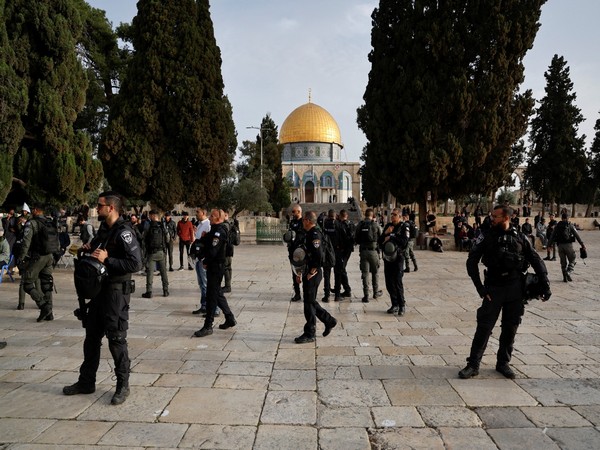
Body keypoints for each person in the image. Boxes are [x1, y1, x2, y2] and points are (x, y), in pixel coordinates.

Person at [63, 191, 142, 405]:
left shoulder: (124, 232)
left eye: (100, 205)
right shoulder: (104, 229)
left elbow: (136, 264)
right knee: (91, 338)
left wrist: (109, 259)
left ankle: (122, 385)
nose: (96, 209)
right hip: (99, 291)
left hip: (116, 293)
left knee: (116, 340)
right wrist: (91, 248)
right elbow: (99, 250)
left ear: (112, 208)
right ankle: (86, 382)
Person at [459, 205, 551, 380]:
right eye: (491, 215)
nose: (491, 218)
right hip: (493, 287)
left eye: (495, 216)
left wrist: (545, 282)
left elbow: (535, 258)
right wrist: (480, 288)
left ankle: (503, 363)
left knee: (511, 327)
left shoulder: (520, 237)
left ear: (506, 218)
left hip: (515, 288)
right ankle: (473, 364)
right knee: (484, 327)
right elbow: (471, 262)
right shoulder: (485, 235)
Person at [294, 211, 337, 344]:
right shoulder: (309, 233)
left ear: (307, 220)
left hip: (314, 273)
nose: (302, 222)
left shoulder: (314, 234)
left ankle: (310, 333)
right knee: (310, 301)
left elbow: (318, 255)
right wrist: (299, 272)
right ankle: (329, 320)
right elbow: (305, 255)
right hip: (308, 271)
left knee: (309, 303)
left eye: (303, 220)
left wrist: (312, 270)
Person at [193, 209, 237, 337]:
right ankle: (229, 318)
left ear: (218, 218)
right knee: (217, 293)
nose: (210, 217)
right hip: (214, 265)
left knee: (211, 296)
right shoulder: (213, 229)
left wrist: (205, 260)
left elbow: (213, 250)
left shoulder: (219, 231)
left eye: (212, 216)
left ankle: (208, 326)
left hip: (216, 266)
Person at [15, 203, 58, 322]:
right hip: (49, 256)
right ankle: (50, 313)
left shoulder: (32, 223)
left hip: (38, 256)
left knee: (27, 283)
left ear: (35, 210)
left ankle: (44, 306)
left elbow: (26, 242)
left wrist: (21, 257)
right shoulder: (49, 222)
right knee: (46, 284)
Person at [378, 208, 409, 315]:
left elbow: (404, 241)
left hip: (398, 258)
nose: (392, 216)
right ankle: (394, 304)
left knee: (397, 282)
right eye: (391, 215)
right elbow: (379, 241)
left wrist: (391, 235)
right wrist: (385, 233)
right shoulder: (388, 226)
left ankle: (402, 305)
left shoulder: (404, 227)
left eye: (395, 215)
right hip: (388, 258)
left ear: (400, 216)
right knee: (389, 282)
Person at [354, 208, 383, 303]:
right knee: (375, 273)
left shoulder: (360, 224)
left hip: (363, 252)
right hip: (373, 252)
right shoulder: (375, 225)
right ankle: (375, 292)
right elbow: (381, 236)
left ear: (365, 215)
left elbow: (356, 237)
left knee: (365, 274)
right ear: (372, 215)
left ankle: (366, 295)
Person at [547, 213, 586, 282]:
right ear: (567, 218)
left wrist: (549, 245)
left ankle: (565, 278)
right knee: (572, 259)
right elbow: (576, 235)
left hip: (560, 246)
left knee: (563, 262)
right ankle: (568, 272)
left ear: (561, 218)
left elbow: (552, 236)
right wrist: (582, 244)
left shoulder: (557, 225)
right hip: (568, 245)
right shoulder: (569, 225)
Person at [141, 210, 169, 298]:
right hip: (161, 252)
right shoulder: (162, 225)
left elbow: (143, 239)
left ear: (152, 216)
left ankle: (149, 291)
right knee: (163, 272)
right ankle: (165, 290)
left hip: (151, 253)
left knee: (150, 273)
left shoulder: (148, 225)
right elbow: (167, 239)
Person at [333, 209, 354, 300]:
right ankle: (347, 289)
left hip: (342, 250)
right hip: (348, 250)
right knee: (342, 269)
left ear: (340, 216)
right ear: (347, 216)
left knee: (339, 270)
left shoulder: (339, 225)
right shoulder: (351, 224)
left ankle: (345, 290)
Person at [192, 208, 210, 314]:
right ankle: (203, 305)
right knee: (201, 283)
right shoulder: (199, 225)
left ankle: (208, 305)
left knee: (205, 283)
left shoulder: (207, 225)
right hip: (198, 258)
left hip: (203, 258)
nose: (196, 214)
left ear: (203, 213)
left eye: (198, 212)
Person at [286, 205, 305, 302]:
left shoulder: (303, 222)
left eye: (294, 212)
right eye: (292, 212)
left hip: (301, 251)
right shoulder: (292, 222)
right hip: (292, 251)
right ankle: (297, 293)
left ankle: (307, 292)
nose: (293, 213)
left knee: (304, 272)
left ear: (299, 212)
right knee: (294, 272)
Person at [222, 212, 238, 293]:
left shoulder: (225, 225)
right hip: (230, 248)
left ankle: (228, 286)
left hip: (226, 249)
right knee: (228, 268)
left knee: (226, 268)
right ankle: (228, 285)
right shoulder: (230, 224)